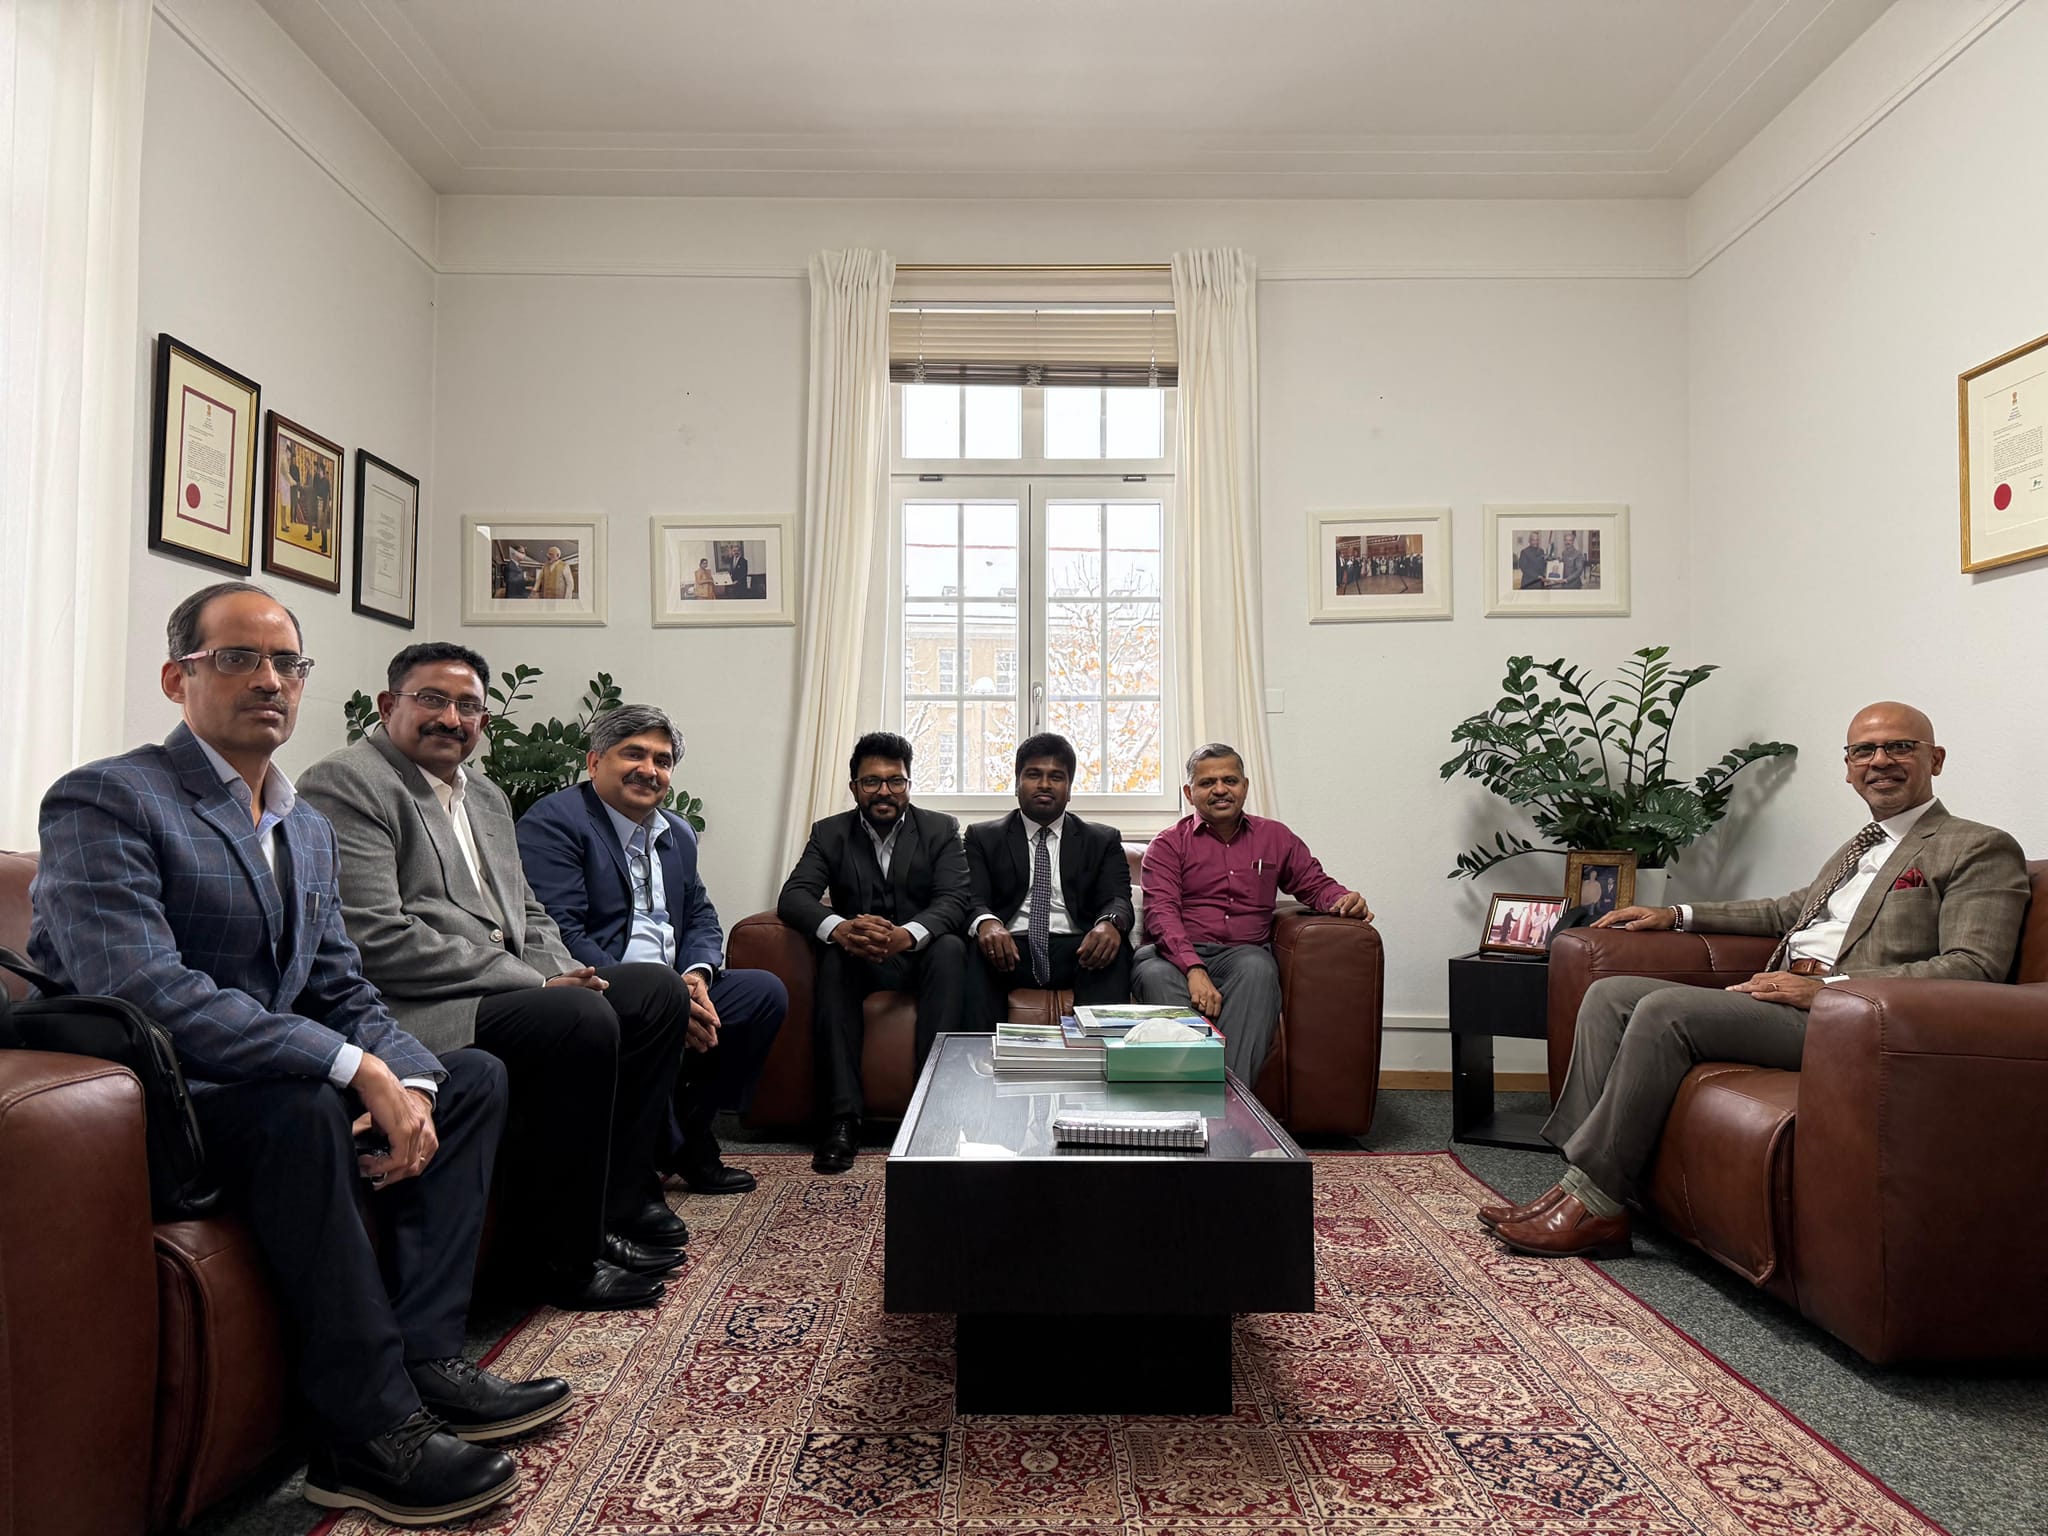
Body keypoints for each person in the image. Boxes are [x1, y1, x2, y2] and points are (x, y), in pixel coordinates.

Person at [28, 583, 566, 1527]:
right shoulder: (110, 797)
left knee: (472, 1076)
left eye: (288, 663)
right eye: (238, 658)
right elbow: (144, 990)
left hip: (272, 1087)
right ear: (177, 677)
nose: (269, 680)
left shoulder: (303, 828)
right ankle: (364, 1438)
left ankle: (427, 1358)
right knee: (307, 1100)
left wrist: (410, 1074)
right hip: (167, 1107)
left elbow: (341, 989)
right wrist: (351, 1068)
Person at [1488, 702, 2030, 1260]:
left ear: (1935, 759)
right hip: (1786, 996)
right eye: (1864, 751)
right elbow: (1786, 910)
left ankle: (1592, 1206)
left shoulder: (1977, 846)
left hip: (1851, 1022)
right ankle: (1578, 1185)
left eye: (1900, 747)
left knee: (1664, 1012)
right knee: (1611, 994)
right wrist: (1674, 915)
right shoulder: (1860, 846)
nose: (1880, 761)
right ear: (1847, 768)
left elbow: (1972, 966)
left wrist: (1827, 988)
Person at [299, 644, 695, 1315]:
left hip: (500, 987)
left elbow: (528, 912)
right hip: (415, 1006)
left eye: (469, 707)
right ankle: (567, 1258)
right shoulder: (347, 783)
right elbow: (377, 939)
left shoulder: (482, 793)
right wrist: (535, 987)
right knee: (577, 1019)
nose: (452, 718)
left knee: (653, 992)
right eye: (433, 699)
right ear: (390, 705)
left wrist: (562, 970)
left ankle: (618, 1204)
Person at [518, 704, 787, 1194]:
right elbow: (559, 932)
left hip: (673, 982)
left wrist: (697, 977)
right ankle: (640, 1165)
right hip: (602, 983)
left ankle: (688, 1136)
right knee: (658, 995)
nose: (649, 770)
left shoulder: (676, 832)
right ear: (594, 761)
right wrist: (659, 996)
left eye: (662, 760)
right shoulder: (556, 822)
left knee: (762, 993)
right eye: (634, 754)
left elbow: (701, 915)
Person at [777, 730, 971, 1173]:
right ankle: (842, 1120)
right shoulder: (829, 833)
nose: (885, 791)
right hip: (860, 956)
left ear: (908, 784)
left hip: (922, 956)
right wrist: (841, 928)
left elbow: (954, 899)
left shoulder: (941, 829)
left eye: (895, 781)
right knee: (833, 959)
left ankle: (933, 1113)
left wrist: (907, 934)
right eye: (872, 782)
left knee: (952, 950)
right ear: (854, 788)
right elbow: (795, 896)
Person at [1130, 744, 1373, 1083]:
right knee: (1155, 975)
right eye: (1207, 783)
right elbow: (1162, 915)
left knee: (1258, 969)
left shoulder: (1275, 837)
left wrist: (1343, 899)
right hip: (1170, 956)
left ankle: (1226, 1106)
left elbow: (1315, 885)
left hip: (1243, 955)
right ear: (1189, 792)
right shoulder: (1168, 844)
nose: (1219, 790)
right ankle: (1191, 1106)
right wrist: (1194, 969)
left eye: (1229, 780)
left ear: (1244, 786)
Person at [964, 733, 1134, 1031]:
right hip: (1008, 948)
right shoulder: (983, 837)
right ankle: (979, 1063)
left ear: (1069, 789)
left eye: (1056, 776)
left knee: (1114, 949)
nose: (1044, 784)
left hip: (1079, 949)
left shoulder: (1102, 839)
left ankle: (1097, 1061)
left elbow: (1118, 898)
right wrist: (987, 922)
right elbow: (971, 897)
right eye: (1033, 775)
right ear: (1017, 783)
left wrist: (1109, 923)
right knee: (973, 950)